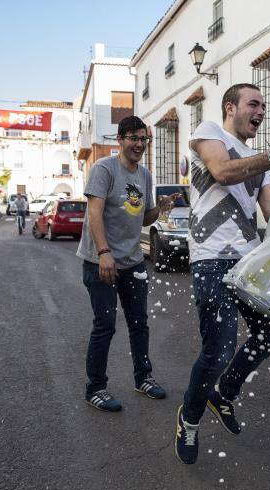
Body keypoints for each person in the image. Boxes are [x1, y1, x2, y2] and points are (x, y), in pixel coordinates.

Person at [174, 83, 270, 465]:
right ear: (231, 107)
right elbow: (222, 172)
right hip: (211, 256)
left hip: (247, 260)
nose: (261, 111)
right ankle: (189, 420)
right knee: (220, 347)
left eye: (263, 105)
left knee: (269, 334)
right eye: (254, 104)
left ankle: (223, 394)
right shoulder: (209, 132)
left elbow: (269, 212)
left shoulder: (262, 162)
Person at [76, 115, 179, 412]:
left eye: (143, 139)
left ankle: (143, 377)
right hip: (101, 260)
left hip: (132, 261)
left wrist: (159, 208)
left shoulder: (145, 176)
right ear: (120, 140)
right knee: (105, 325)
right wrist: (104, 252)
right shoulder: (104, 169)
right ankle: (95, 388)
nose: (139, 144)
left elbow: (143, 217)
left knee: (139, 323)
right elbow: (94, 213)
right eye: (133, 138)